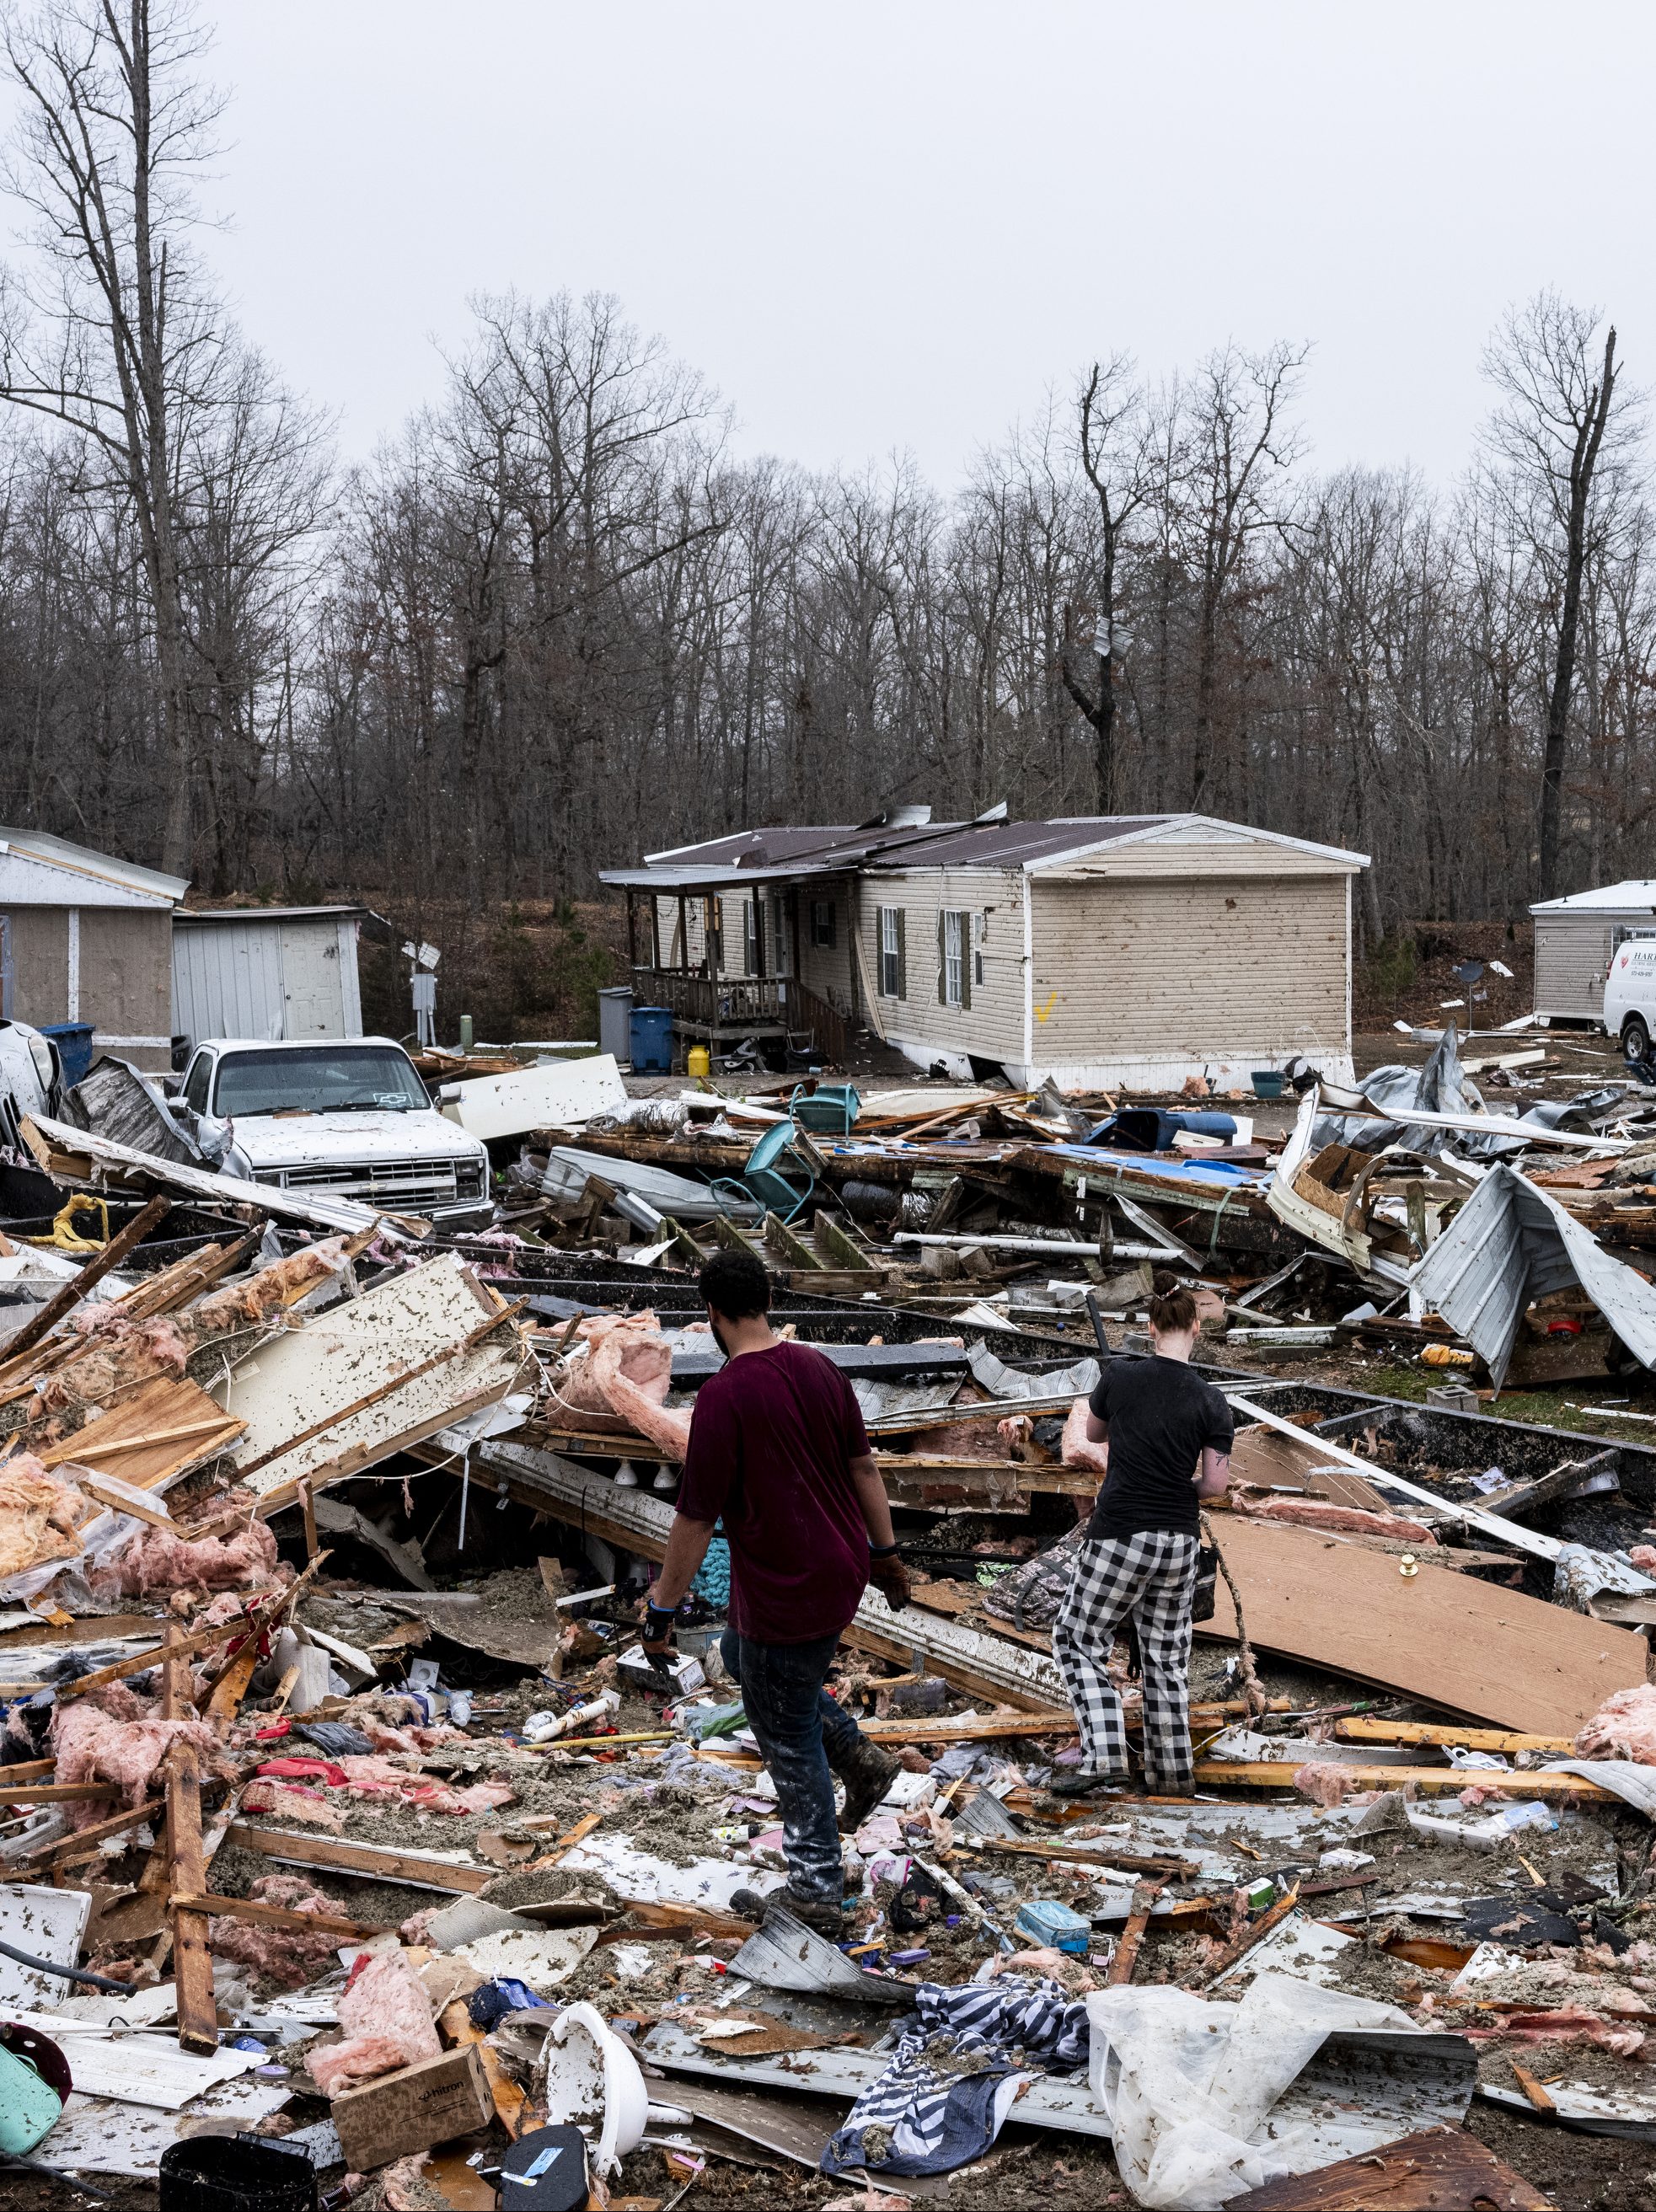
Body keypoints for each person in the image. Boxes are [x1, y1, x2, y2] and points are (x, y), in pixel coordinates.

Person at [640, 1247, 912, 1934]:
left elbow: (695, 1518)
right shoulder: (817, 1366)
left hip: (785, 1582)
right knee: (744, 1658)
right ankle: (861, 1759)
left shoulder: (725, 1396)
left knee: (786, 1731)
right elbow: (864, 1467)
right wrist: (886, 1554)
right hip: (841, 1567)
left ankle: (817, 1889)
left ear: (710, 1314)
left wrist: (661, 1607)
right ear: (766, 1299)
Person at [1050, 1272, 1232, 1798]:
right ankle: (1172, 1777)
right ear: (1197, 1328)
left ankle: (1104, 1757)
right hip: (1179, 1541)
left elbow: (1092, 1435)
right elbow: (1215, 1486)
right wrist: (1179, 1488)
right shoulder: (1211, 1401)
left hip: (1121, 1531)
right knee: (1165, 1659)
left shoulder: (1119, 1376)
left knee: (1078, 1638)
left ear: (1151, 1327)